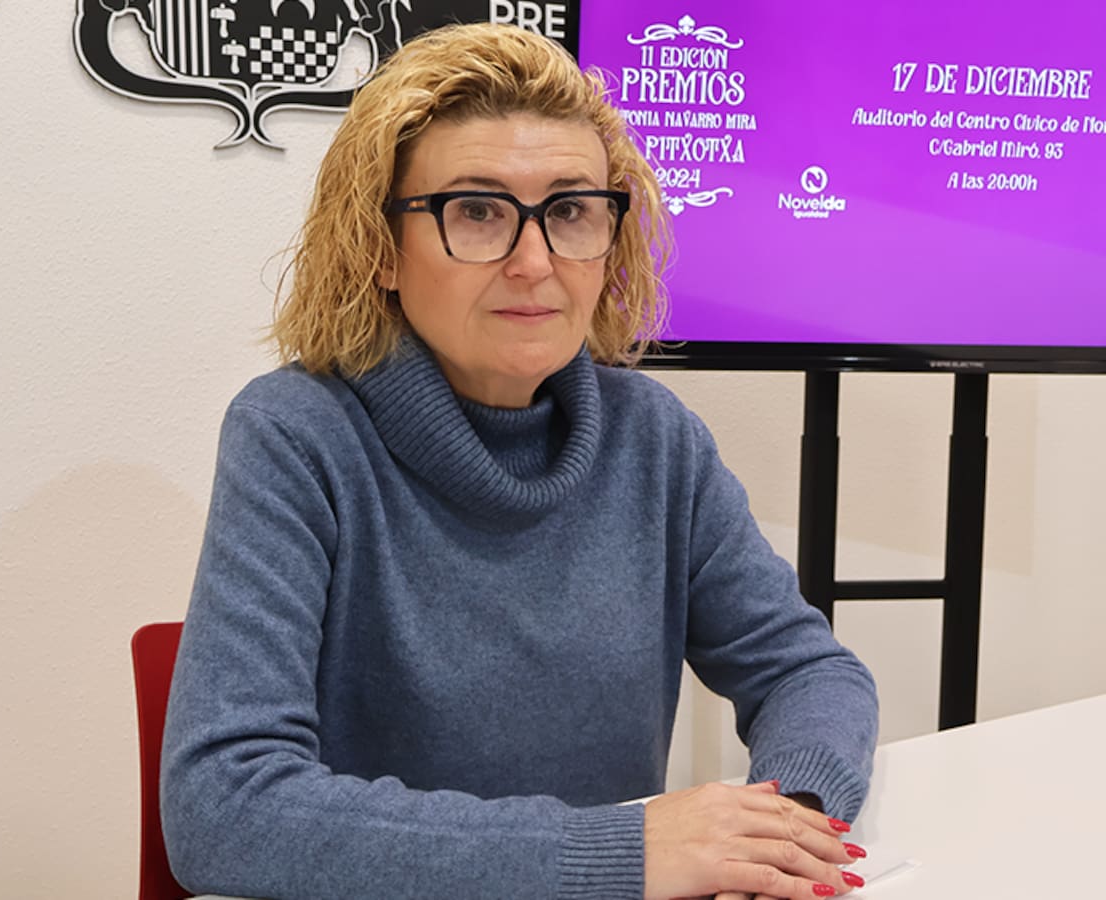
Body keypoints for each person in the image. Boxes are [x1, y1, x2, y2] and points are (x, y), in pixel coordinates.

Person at [161, 21, 878, 900]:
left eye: (570, 211)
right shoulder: (295, 435)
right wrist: (618, 851)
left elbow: (809, 672)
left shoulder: (655, 437)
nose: (534, 262)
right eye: (477, 211)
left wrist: (787, 826)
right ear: (380, 249)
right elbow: (224, 806)